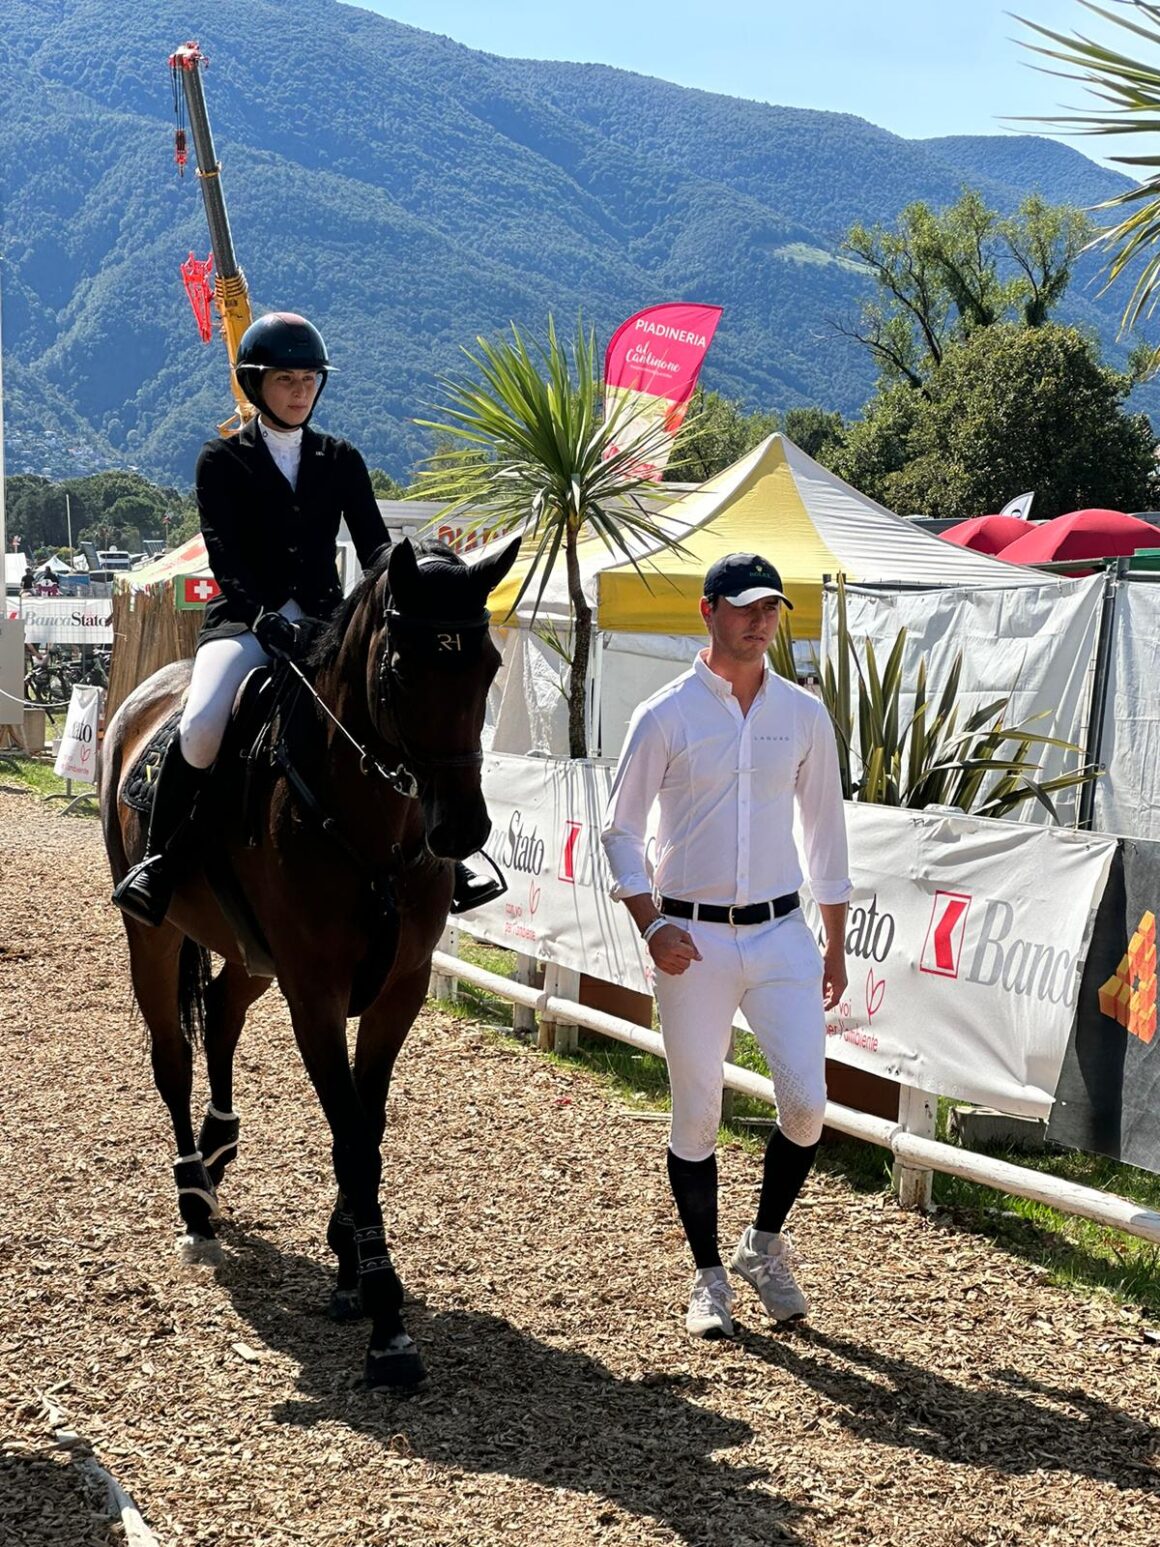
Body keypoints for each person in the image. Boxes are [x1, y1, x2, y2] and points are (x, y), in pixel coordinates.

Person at [112, 310, 504, 927]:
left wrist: (420, 578)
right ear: (255, 384)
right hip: (244, 625)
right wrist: (262, 619)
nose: (300, 392)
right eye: (286, 380)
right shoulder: (222, 460)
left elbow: (375, 549)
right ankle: (160, 862)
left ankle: (451, 860)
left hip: (327, 624)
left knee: (396, 713)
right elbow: (226, 557)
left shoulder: (340, 458)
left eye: (309, 379)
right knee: (202, 726)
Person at [600, 552, 851, 1340]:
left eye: (770, 607)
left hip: (783, 935)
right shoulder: (666, 713)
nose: (759, 620)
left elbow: (826, 833)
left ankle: (762, 1244)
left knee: (807, 1105)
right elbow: (619, 831)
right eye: (745, 607)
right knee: (698, 1113)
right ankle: (708, 1274)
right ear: (707, 610)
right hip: (691, 941)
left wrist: (835, 943)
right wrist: (651, 923)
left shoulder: (805, 714)